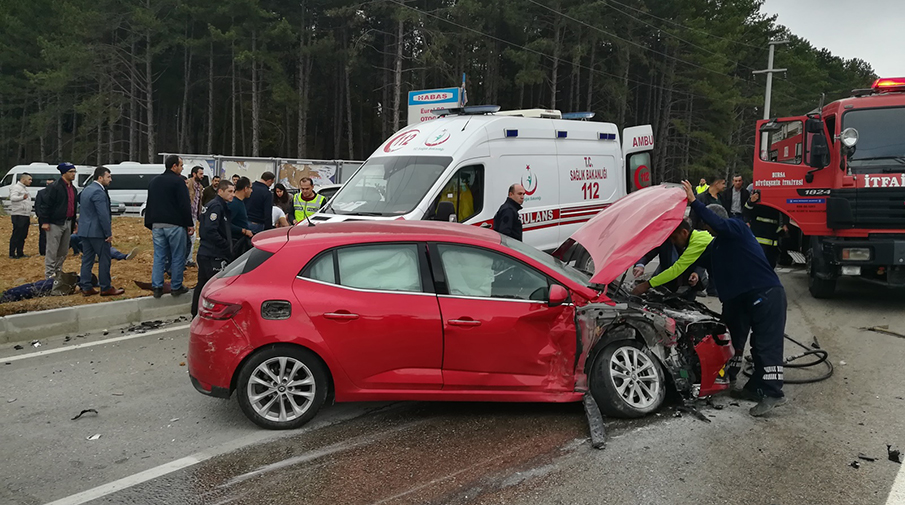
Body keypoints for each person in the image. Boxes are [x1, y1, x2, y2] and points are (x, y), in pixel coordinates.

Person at [682, 180, 787, 417]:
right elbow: (694, 262)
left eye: (708, 225)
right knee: (736, 339)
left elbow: (718, 222)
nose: (708, 230)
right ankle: (752, 386)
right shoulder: (718, 246)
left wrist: (694, 202)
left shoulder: (737, 228)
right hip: (743, 298)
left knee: (765, 345)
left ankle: (773, 393)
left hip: (766, 294)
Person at [145, 155, 194, 299]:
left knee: (159, 256)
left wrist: (150, 223)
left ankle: (157, 286)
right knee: (178, 256)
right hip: (175, 224)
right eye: (181, 165)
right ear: (174, 166)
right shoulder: (178, 182)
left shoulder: (154, 181)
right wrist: (189, 223)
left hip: (157, 224)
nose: (182, 168)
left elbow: (150, 203)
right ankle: (176, 286)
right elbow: (184, 204)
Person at [631, 220, 713, 298]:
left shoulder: (697, 241)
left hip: (689, 283)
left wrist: (646, 285)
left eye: (675, 238)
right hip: (668, 281)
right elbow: (650, 251)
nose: (673, 241)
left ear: (684, 232)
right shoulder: (696, 236)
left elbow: (676, 270)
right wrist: (640, 265)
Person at [77, 166, 124, 297]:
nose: (110, 179)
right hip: (97, 232)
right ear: (100, 177)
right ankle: (105, 287)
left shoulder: (86, 190)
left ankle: (86, 286)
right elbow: (103, 214)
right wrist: (108, 233)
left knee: (87, 259)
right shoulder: (99, 192)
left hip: (85, 230)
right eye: (108, 177)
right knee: (104, 259)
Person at [192, 180, 235, 317]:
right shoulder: (216, 206)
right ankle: (206, 314)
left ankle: (196, 313)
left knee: (203, 284)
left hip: (208, 252)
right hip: (212, 253)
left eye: (233, 191)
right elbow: (210, 230)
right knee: (213, 286)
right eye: (229, 191)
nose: (232, 194)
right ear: (220, 191)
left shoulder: (219, 205)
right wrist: (225, 244)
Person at [37, 162, 79, 280]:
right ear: (63, 173)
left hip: (68, 222)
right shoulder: (54, 187)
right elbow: (45, 205)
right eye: (71, 172)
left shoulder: (73, 189)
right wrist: (45, 221)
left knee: (63, 250)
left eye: (74, 171)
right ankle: (49, 274)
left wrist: (74, 222)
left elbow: (73, 206)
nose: (73, 174)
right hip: (55, 223)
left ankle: (58, 271)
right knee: (52, 249)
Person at [744, 190, 787, 269]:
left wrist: (784, 224)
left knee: (770, 262)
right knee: (759, 263)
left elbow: (784, 210)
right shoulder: (757, 194)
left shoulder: (777, 195)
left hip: (772, 236)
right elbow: (746, 211)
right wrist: (751, 202)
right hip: (759, 236)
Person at [185, 166, 205, 268]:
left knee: (192, 238)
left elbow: (198, 202)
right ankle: (186, 259)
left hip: (193, 215)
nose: (202, 176)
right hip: (186, 215)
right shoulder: (188, 184)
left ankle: (188, 259)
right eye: (200, 174)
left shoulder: (200, 187)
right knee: (187, 237)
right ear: (194, 174)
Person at [8, 172, 32, 259]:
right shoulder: (16, 187)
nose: (30, 181)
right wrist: (22, 197)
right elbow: (12, 198)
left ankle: (20, 252)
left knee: (23, 234)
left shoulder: (24, 188)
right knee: (17, 234)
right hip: (18, 214)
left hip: (25, 214)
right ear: (23, 179)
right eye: (29, 179)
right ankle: (12, 253)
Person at [228, 177, 254, 255]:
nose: (251, 191)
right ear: (245, 188)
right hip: (236, 243)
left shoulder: (240, 202)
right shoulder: (234, 204)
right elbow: (226, 224)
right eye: (250, 188)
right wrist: (243, 230)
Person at [70, 233, 136, 261]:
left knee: (110, 250)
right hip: (91, 248)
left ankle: (125, 256)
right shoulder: (76, 237)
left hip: (98, 244)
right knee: (109, 251)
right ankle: (124, 256)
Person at [35, 179, 54, 255]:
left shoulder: (57, 193)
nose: (48, 185)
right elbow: (37, 205)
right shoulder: (41, 192)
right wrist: (39, 215)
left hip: (54, 217)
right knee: (43, 235)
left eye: (50, 184)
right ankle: (42, 251)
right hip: (43, 217)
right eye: (47, 184)